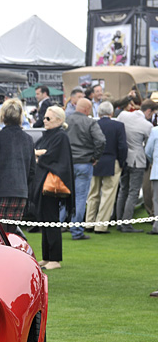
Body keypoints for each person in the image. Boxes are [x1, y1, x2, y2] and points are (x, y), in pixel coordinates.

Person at [30, 106, 74, 270]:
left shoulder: (60, 136)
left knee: (51, 219)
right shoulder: (48, 135)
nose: (44, 121)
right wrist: (40, 152)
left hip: (51, 185)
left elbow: (53, 156)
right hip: (42, 183)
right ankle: (47, 256)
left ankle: (55, 258)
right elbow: (37, 151)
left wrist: (38, 154)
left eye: (48, 118)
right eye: (44, 118)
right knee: (44, 219)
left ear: (59, 120)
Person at [0, 99, 35, 229]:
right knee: (11, 233)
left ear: (2, 116)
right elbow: (32, 171)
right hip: (20, 192)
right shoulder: (28, 139)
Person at [63, 98, 106, 240]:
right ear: (87, 109)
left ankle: (56, 227)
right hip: (84, 162)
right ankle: (76, 231)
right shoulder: (90, 122)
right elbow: (101, 140)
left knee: (63, 197)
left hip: (67, 164)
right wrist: (95, 157)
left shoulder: (66, 120)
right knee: (80, 198)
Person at [86, 101, 127, 234]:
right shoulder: (118, 126)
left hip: (94, 162)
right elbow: (122, 146)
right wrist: (121, 163)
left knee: (93, 193)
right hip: (112, 161)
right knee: (108, 195)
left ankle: (88, 223)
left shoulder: (93, 124)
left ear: (98, 112)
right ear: (112, 113)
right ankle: (101, 226)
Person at [114, 96, 154, 232]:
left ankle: (120, 221)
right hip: (138, 160)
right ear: (149, 111)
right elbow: (149, 147)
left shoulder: (124, 115)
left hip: (124, 159)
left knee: (123, 190)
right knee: (133, 192)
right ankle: (126, 223)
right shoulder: (147, 125)